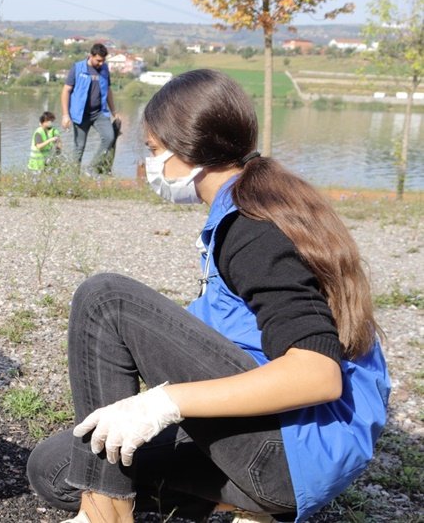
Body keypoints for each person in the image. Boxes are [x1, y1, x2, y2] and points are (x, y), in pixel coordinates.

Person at [27, 70, 389, 523]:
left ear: (191, 150)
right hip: (272, 451)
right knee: (57, 467)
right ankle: (245, 504)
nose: (152, 166)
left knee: (106, 300)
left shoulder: (254, 229)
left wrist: (165, 401)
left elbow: (318, 375)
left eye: (155, 152)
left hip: (290, 456)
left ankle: (105, 517)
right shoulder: (250, 203)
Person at [61, 43, 119, 176]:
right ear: (91, 56)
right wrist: (65, 115)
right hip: (80, 114)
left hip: (99, 113)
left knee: (109, 137)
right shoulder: (78, 68)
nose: (101, 63)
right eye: (98, 60)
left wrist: (114, 111)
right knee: (79, 147)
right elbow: (66, 90)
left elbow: (108, 90)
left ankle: (91, 167)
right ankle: (73, 179)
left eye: (103, 60)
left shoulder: (104, 69)